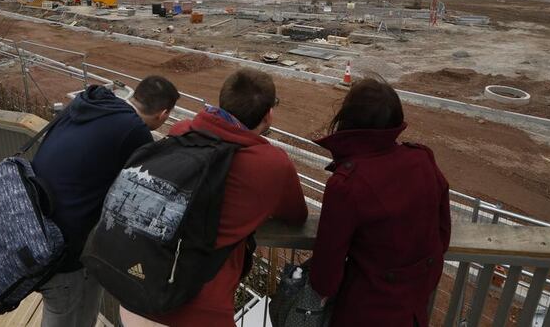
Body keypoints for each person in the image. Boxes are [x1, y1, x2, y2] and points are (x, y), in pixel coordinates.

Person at [120, 68, 309, 327]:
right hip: (197, 311)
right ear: (269, 115)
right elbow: (297, 215)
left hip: (137, 292)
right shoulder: (273, 165)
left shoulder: (182, 131)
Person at [32, 76, 180, 327]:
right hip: (65, 245)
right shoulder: (134, 131)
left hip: (35, 221)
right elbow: (146, 191)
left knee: (63, 307)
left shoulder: (95, 105)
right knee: (67, 311)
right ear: (163, 114)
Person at [309, 78, 451, 327]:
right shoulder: (422, 159)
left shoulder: (347, 184)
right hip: (414, 311)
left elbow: (325, 278)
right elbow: (443, 233)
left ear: (348, 119)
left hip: (364, 312)